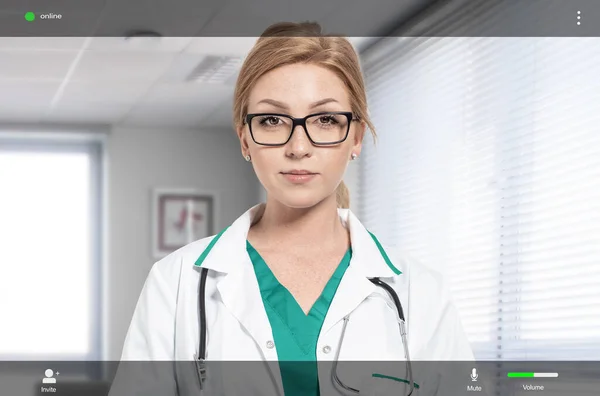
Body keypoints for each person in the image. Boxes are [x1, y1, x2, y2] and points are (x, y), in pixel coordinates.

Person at [110, 21, 476, 396]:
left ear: (356, 137)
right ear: (245, 139)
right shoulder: (176, 283)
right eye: (272, 120)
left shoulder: (420, 292)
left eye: (325, 120)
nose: (298, 146)